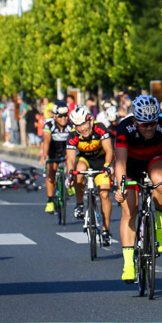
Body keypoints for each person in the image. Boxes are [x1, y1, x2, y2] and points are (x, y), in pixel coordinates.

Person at [114, 95, 162, 282]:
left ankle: (159, 222)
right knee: (129, 211)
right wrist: (120, 186)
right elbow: (120, 162)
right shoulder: (124, 128)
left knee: (160, 180)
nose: (150, 128)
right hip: (131, 164)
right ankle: (128, 264)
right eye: (144, 125)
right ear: (135, 121)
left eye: (152, 123)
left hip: (155, 159)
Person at [66, 105, 115, 246]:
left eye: (84, 124)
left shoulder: (100, 128)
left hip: (101, 162)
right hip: (85, 160)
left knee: (104, 194)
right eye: (78, 125)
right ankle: (80, 204)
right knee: (78, 169)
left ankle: (105, 230)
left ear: (90, 120)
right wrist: (70, 174)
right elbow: (70, 159)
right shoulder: (73, 135)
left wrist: (107, 165)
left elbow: (109, 150)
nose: (82, 128)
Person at [40, 101, 73, 214]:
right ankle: (50, 200)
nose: (63, 118)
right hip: (53, 149)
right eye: (60, 116)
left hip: (66, 148)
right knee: (51, 171)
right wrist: (45, 155)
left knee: (71, 161)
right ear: (55, 116)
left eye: (65, 115)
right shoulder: (49, 124)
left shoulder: (71, 125)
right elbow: (46, 140)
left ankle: (70, 181)